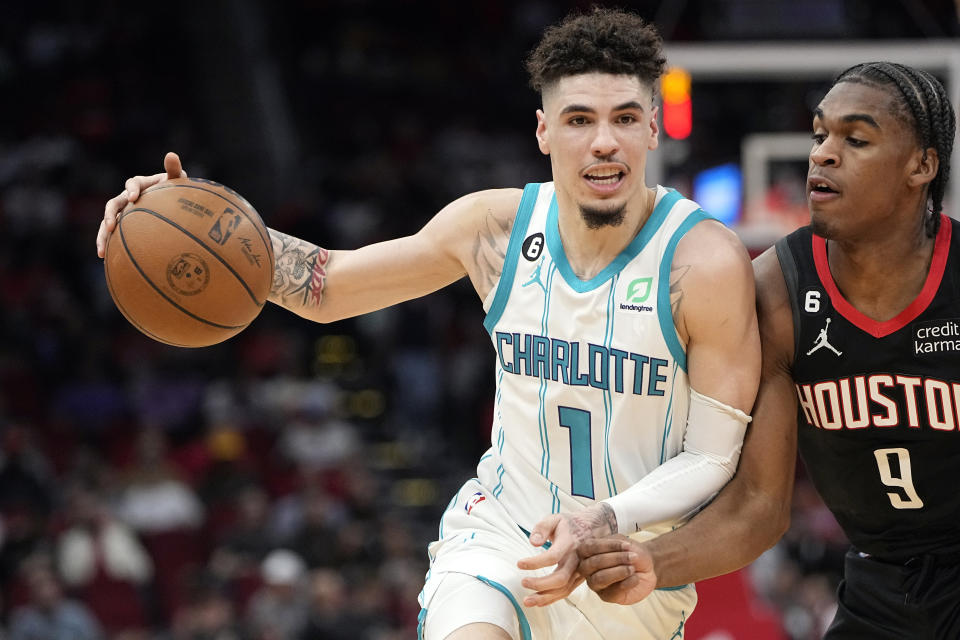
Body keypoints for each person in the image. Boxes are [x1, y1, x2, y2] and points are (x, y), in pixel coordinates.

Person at [96, 8, 760, 639]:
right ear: (543, 131)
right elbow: (326, 285)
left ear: (654, 128)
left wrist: (609, 516)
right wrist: (188, 219)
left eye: (624, 117)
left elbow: (711, 456)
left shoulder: (703, 263)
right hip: (502, 535)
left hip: (627, 569)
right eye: (579, 118)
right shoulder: (494, 230)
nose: (604, 141)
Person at [577, 62, 959, 639]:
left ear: (921, 165)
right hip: (881, 584)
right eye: (819, 135)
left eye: (855, 139)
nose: (823, 155)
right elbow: (759, 504)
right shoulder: (777, 292)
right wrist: (651, 561)